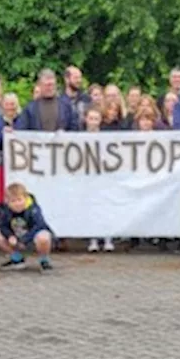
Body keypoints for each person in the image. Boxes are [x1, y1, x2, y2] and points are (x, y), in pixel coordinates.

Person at [0, 182, 54, 272]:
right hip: (17, 239)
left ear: (25, 198)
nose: (17, 204)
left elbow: (40, 225)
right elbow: (2, 226)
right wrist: (9, 236)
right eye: (13, 201)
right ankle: (17, 259)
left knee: (44, 237)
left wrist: (24, 240)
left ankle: (44, 260)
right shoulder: (6, 210)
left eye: (19, 200)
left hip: (32, 238)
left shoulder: (33, 208)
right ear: (7, 201)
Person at [83, 107, 114, 252]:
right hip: (87, 178)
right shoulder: (77, 138)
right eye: (91, 118)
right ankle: (93, 240)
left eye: (96, 119)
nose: (93, 122)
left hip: (104, 177)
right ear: (86, 119)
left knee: (106, 207)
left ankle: (108, 238)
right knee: (90, 208)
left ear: (100, 121)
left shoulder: (107, 138)